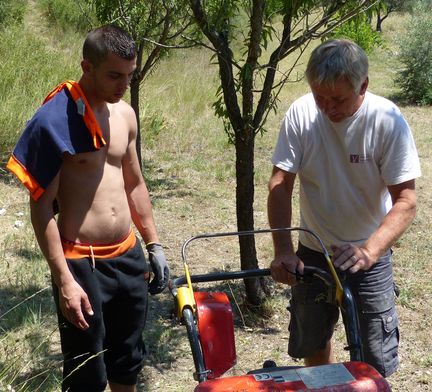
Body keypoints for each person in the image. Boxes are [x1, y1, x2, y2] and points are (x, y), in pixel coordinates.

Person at [7, 25, 169, 391]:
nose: (123, 84)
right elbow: (43, 207)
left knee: (127, 361)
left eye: (129, 75)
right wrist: (64, 278)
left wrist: (154, 245)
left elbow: (135, 183)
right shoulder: (56, 121)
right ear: (87, 66)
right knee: (86, 372)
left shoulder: (125, 114)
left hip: (128, 255)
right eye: (114, 75)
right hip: (82, 263)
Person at [268, 39, 421, 378]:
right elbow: (280, 184)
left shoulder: (387, 121)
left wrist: (370, 250)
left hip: (369, 253)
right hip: (312, 248)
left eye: (337, 99)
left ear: (362, 85)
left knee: (374, 358)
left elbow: (406, 201)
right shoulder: (302, 113)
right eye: (319, 96)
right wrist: (282, 250)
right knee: (312, 341)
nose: (326, 108)